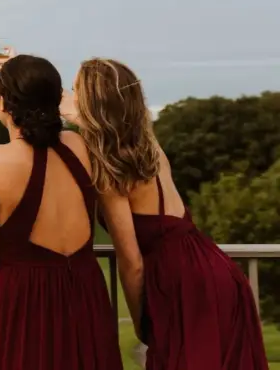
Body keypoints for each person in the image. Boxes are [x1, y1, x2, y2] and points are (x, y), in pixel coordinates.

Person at [66, 57, 268, 370]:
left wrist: (140, 323)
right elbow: (111, 129)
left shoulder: (110, 171)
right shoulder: (148, 145)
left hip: (181, 284)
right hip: (215, 269)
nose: (72, 94)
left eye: (76, 89)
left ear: (93, 101)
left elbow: (131, 263)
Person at [0, 54, 122, 370]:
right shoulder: (78, 145)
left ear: (5, 103)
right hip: (86, 292)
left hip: (27, 300)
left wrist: (6, 113)